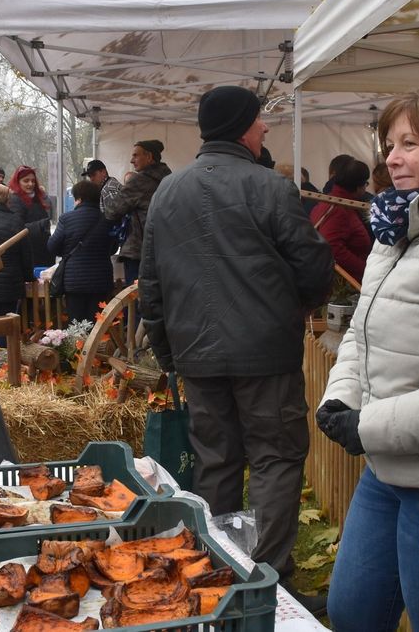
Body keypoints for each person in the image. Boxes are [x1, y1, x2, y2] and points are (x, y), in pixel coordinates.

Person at [138, 86, 334, 607]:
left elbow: (149, 286)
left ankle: (215, 575)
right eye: (259, 120)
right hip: (265, 354)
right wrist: (297, 308)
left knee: (216, 462)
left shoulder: (166, 192)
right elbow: (315, 267)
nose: (266, 128)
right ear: (242, 127)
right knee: (274, 458)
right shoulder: (271, 188)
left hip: (197, 356)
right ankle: (267, 583)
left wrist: (168, 356)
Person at [314, 84, 419, 632]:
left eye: (410, 142)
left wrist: (374, 424)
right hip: (384, 468)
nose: (392, 157)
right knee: (352, 611)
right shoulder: (395, 230)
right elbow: (362, 333)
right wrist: (340, 396)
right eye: (389, 142)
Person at [48, 180, 117, 324]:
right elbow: (114, 247)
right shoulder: (107, 219)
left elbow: (52, 246)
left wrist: (67, 252)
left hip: (74, 280)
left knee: (76, 324)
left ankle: (77, 347)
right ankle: (97, 347)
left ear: (78, 198)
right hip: (101, 279)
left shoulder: (66, 219)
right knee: (97, 325)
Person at [104, 139, 171, 283]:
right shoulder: (169, 178)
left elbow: (112, 211)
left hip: (139, 251)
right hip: (164, 249)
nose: (131, 160)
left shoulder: (139, 181)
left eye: (136, 155)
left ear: (149, 157)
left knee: (135, 299)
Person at [309, 158, 374, 283]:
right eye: (366, 183)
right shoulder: (339, 209)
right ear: (358, 186)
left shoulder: (330, 202)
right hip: (343, 285)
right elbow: (332, 247)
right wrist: (365, 269)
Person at [0, 183, 33, 346]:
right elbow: (25, 254)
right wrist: (28, 277)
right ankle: (5, 364)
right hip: (9, 283)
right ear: (7, 199)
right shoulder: (16, 221)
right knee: (5, 325)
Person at [7, 165, 53, 270]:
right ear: (18, 182)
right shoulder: (15, 201)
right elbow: (17, 229)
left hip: (41, 254)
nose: (30, 184)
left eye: (33, 181)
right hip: (29, 255)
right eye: (26, 181)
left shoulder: (37, 199)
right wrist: (41, 225)